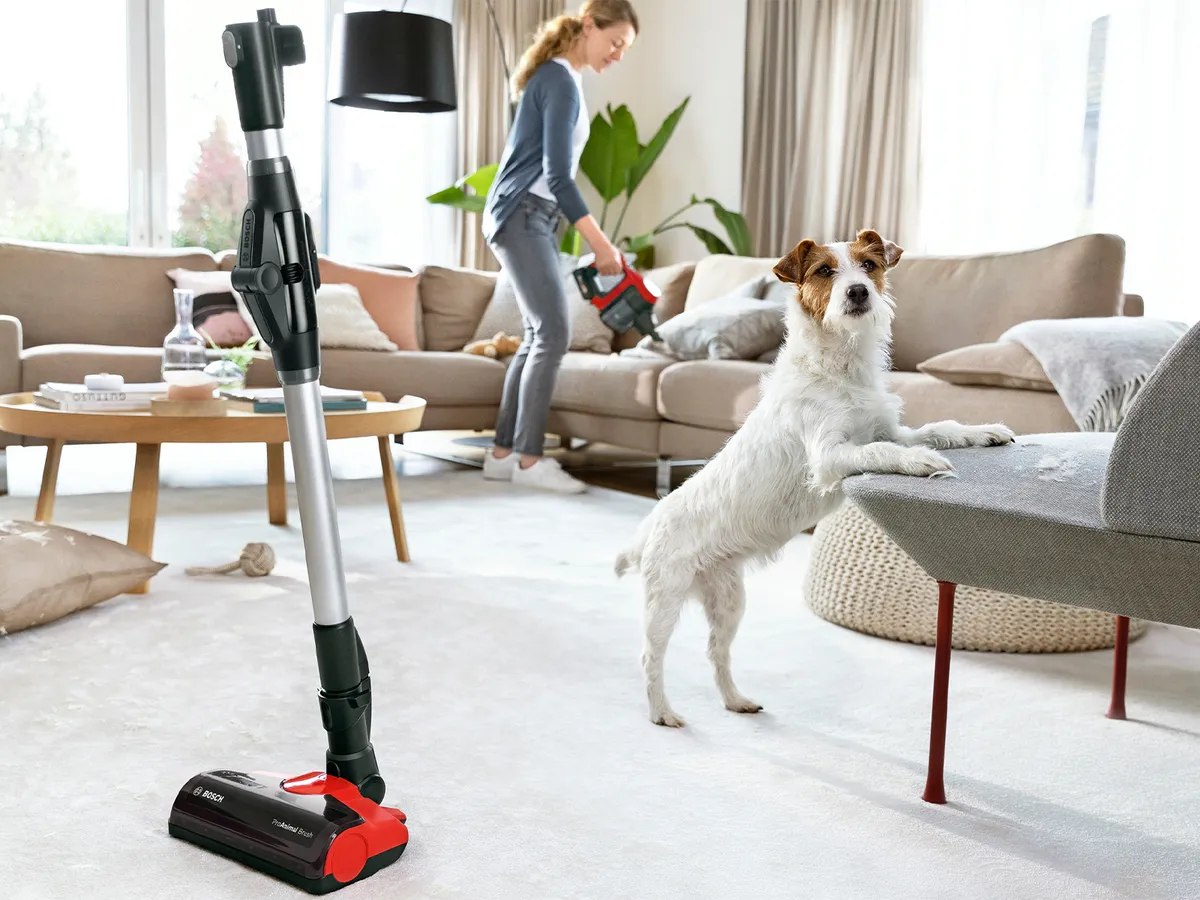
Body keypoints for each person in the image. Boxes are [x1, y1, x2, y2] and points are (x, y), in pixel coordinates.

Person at [481, 0, 638, 494]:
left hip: (532, 216)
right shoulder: (559, 79)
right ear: (589, 25)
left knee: (536, 336)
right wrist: (601, 243)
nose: (617, 55)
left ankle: (503, 454)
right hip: (524, 212)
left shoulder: (561, 79)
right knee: (553, 332)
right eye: (615, 42)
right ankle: (531, 462)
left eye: (624, 50)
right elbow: (556, 175)